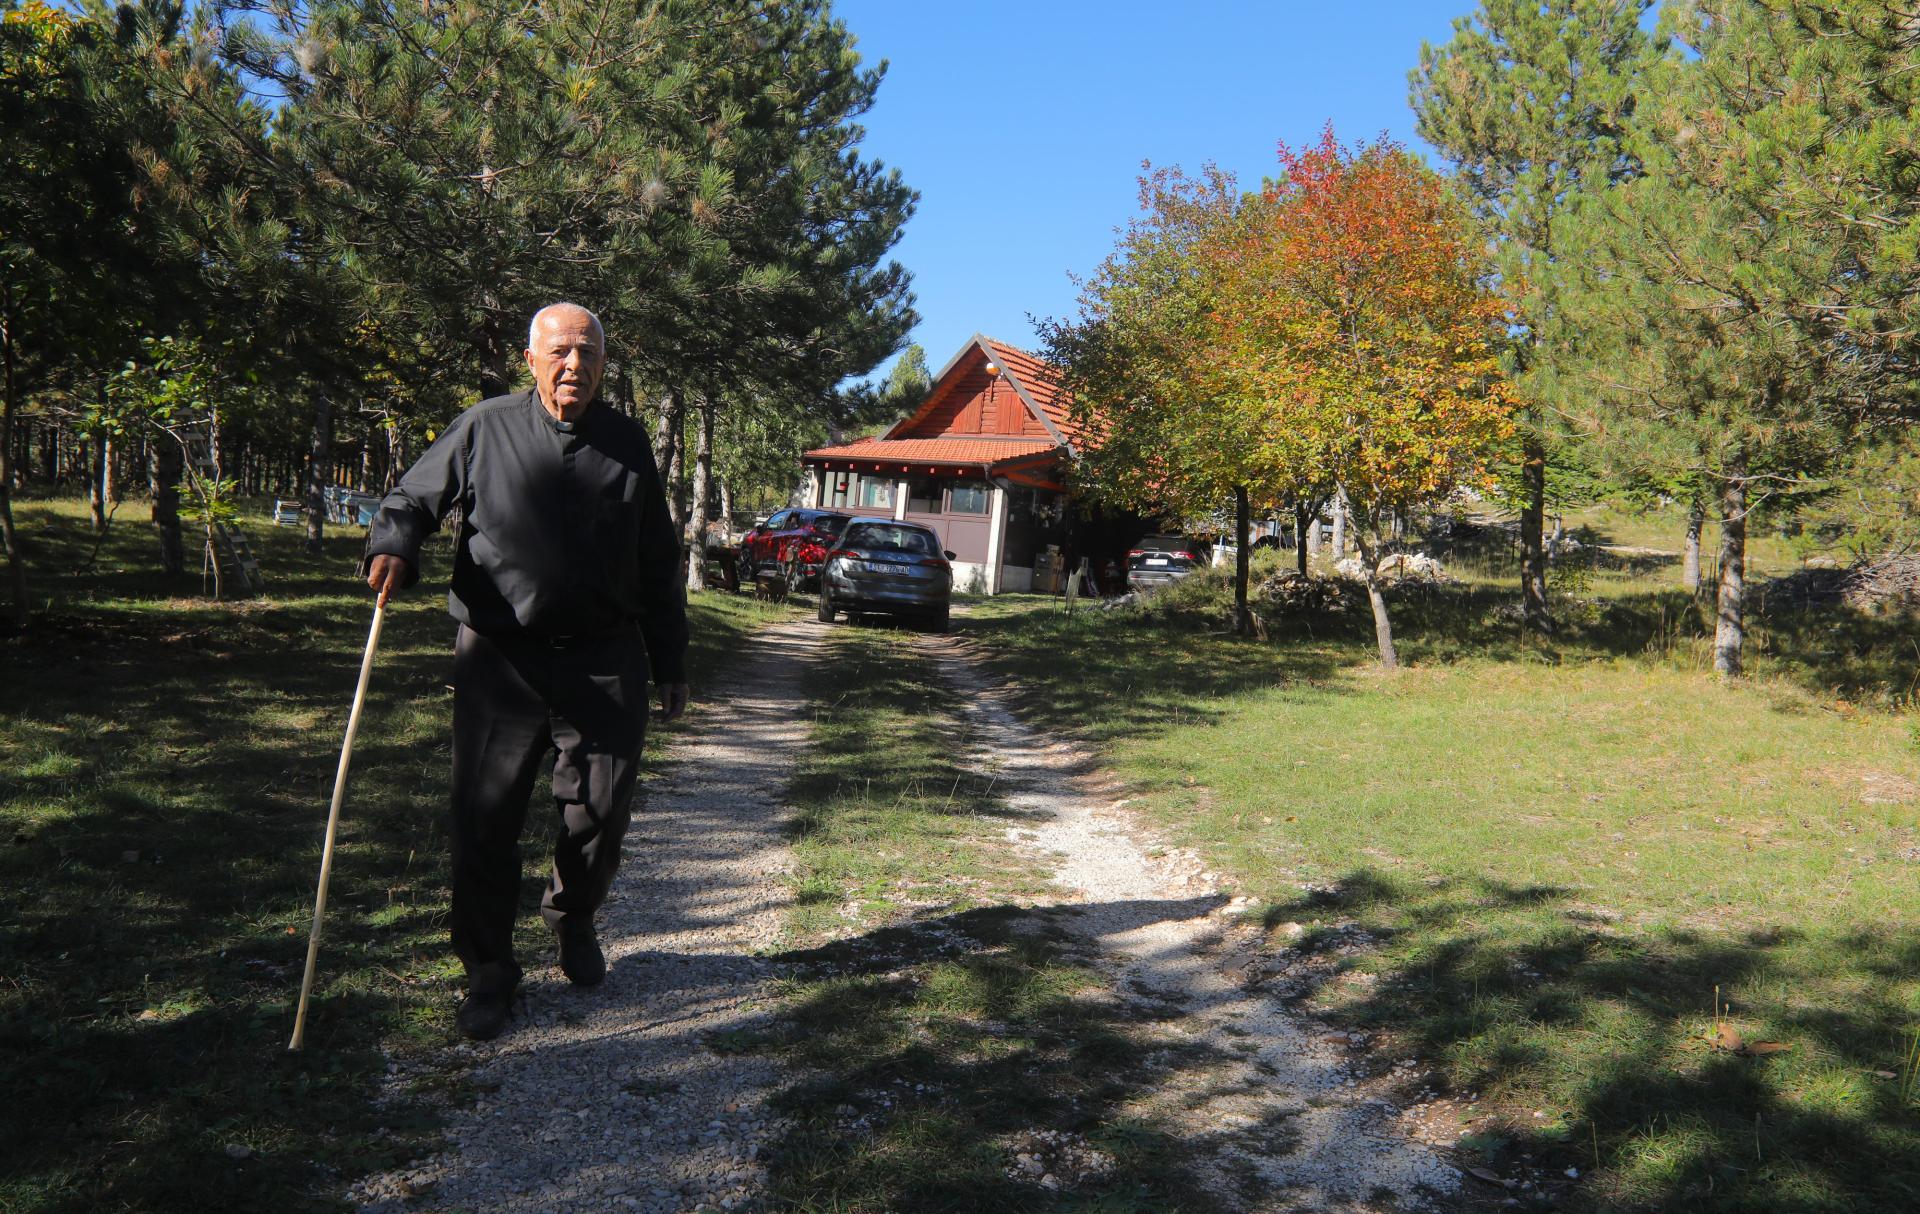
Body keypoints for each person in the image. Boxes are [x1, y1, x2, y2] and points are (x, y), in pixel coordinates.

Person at [363, 302, 689, 1041]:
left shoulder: (629, 443)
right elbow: (413, 497)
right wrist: (395, 544)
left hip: (605, 661)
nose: (575, 365)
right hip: (500, 658)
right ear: (530, 357)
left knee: (601, 812)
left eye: (590, 353)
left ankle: (573, 918)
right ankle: (488, 971)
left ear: (606, 363)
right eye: (561, 352)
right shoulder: (483, 428)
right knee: (485, 821)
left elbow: (659, 563)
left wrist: (670, 660)